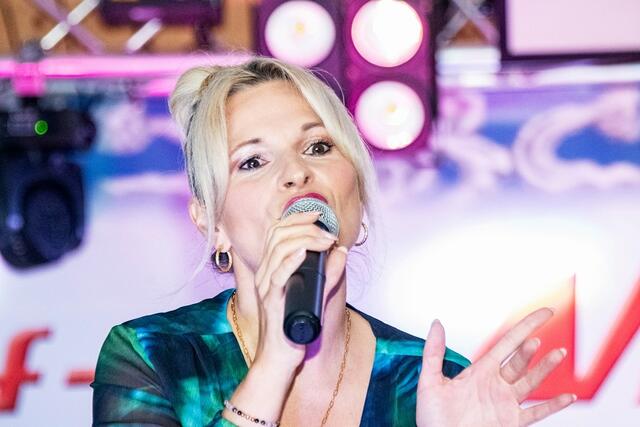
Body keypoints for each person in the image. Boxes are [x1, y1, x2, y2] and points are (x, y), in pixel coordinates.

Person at [91, 57, 575, 426]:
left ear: (357, 193)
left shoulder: (433, 382)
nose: (296, 172)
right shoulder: (154, 355)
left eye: (318, 146)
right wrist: (275, 362)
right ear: (212, 222)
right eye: (253, 161)